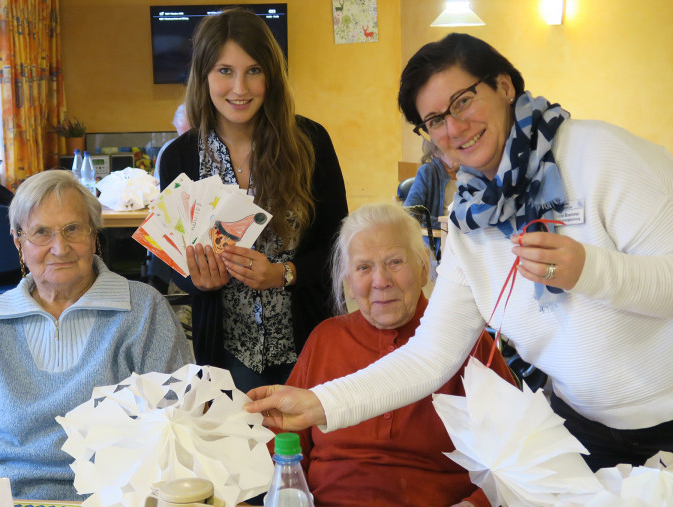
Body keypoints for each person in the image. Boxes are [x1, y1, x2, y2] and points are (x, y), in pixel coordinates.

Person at [246, 33, 673, 473]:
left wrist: (590, 270)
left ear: (504, 87)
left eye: (463, 101)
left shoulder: (598, 155)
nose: (454, 127)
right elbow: (430, 355)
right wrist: (319, 403)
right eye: (434, 119)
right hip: (584, 429)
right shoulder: (471, 221)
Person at [0, 170, 193, 500]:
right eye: (41, 233)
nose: (59, 248)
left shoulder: (143, 310)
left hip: (117, 505)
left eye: (72, 229)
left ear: (94, 235)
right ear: (19, 242)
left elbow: (178, 419)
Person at [158, 8, 348, 393]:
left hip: (310, 340)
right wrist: (199, 280)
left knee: (309, 449)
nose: (240, 88)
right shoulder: (180, 157)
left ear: (272, 76)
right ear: (204, 76)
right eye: (225, 71)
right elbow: (170, 256)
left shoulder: (311, 143)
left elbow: (339, 245)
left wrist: (283, 274)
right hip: (228, 352)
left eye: (254, 70)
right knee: (244, 447)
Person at [284, 202, 515, 507]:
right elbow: (285, 441)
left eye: (395, 262)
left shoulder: (467, 341)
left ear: (424, 269)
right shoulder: (325, 339)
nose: (381, 281)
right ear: (349, 284)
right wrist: (295, 506)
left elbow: (517, 452)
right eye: (364, 268)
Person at [154, 103, 191, 184]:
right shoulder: (168, 149)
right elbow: (158, 183)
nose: (184, 140)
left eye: (190, 135)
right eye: (181, 134)